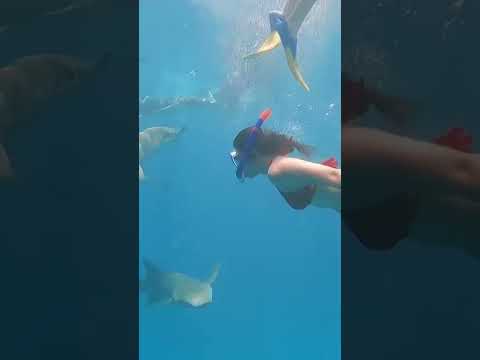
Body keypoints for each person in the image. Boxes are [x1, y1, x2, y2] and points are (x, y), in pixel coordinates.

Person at [230, 109, 340, 211]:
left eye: (238, 158)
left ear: (252, 154)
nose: (238, 165)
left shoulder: (278, 170)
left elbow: (335, 175)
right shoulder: (277, 170)